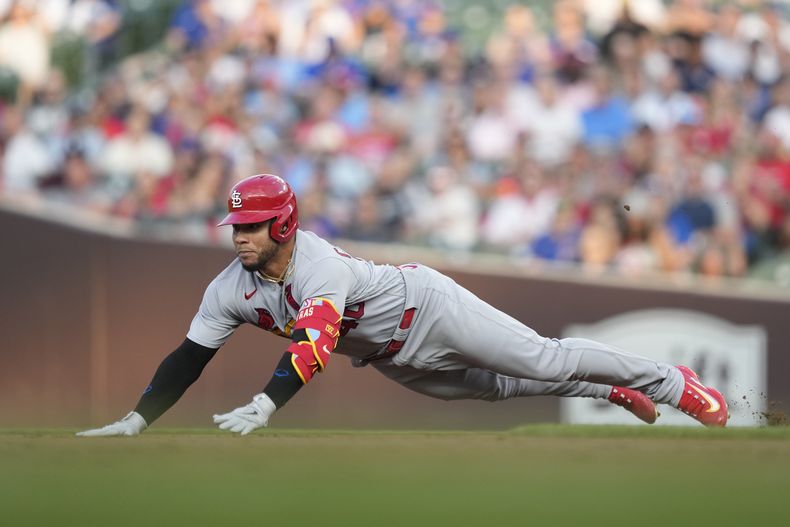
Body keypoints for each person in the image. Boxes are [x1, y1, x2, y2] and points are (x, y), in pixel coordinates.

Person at [77, 174, 728, 437]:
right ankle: (610, 391)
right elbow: (188, 358)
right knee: (499, 389)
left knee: (541, 356)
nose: (241, 236)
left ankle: (675, 383)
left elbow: (316, 342)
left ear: (283, 224)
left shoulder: (318, 261)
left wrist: (268, 403)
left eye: (253, 225)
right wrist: (137, 419)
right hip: (391, 355)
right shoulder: (228, 288)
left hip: (428, 307)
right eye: (237, 227)